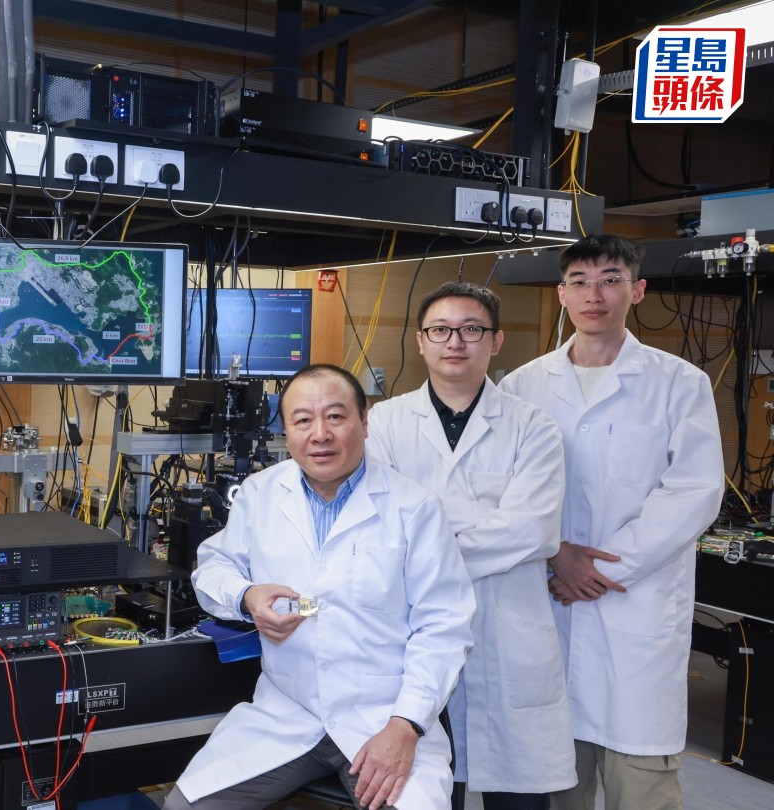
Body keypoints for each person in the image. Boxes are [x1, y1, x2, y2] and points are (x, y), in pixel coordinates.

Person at [166, 364, 475, 810]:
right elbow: (214, 567)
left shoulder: (415, 508)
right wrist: (246, 596)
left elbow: (444, 628)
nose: (320, 434)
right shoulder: (260, 494)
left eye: (335, 416)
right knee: (184, 806)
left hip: (382, 717)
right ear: (286, 430)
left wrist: (405, 726)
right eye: (303, 420)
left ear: (364, 422)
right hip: (286, 713)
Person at [501, 233, 724, 810]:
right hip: (550, 602)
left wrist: (600, 568)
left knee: (641, 785)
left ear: (637, 290)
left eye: (610, 281)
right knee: (558, 784)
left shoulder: (680, 383)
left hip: (636, 608)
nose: (593, 295)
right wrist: (557, 554)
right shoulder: (522, 387)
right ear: (561, 294)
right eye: (579, 282)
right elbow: (502, 492)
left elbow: (694, 491)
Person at [367, 282, 574, 810]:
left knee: (518, 797)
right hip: (417, 633)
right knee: (433, 789)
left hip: (508, 629)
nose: (455, 342)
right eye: (440, 330)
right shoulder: (385, 423)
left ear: (496, 341)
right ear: (420, 341)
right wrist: (485, 523)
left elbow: (533, 531)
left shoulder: (533, 426)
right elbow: (382, 525)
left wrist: (429, 543)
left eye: (471, 330)